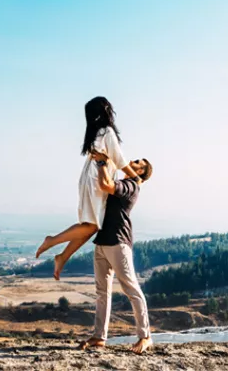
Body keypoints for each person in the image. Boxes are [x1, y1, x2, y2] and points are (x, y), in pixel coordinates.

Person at [36, 97, 142, 280]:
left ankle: (63, 257)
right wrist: (136, 177)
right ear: (106, 110)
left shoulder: (96, 133)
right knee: (90, 226)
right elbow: (119, 159)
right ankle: (52, 241)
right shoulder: (107, 132)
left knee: (89, 226)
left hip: (89, 179)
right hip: (94, 181)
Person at [79, 151, 153, 354]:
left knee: (131, 289)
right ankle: (99, 337)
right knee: (102, 292)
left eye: (138, 162)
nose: (133, 160)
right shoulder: (123, 181)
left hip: (118, 243)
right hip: (103, 242)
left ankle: (145, 336)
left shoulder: (131, 185)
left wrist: (102, 161)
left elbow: (106, 186)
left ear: (140, 173)